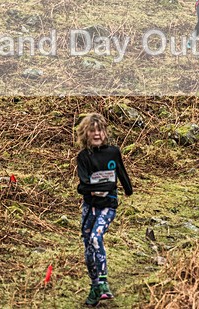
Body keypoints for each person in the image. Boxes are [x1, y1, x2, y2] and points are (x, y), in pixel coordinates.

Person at [76, 113, 133, 306]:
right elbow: (82, 186)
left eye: (100, 130)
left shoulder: (113, 152)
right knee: (88, 246)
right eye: (92, 130)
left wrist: (127, 188)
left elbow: (121, 173)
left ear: (105, 132)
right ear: (86, 133)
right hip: (89, 208)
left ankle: (104, 283)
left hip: (108, 206)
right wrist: (97, 189)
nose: (97, 133)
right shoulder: (83, 157)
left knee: (95, 238)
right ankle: (94, 287)